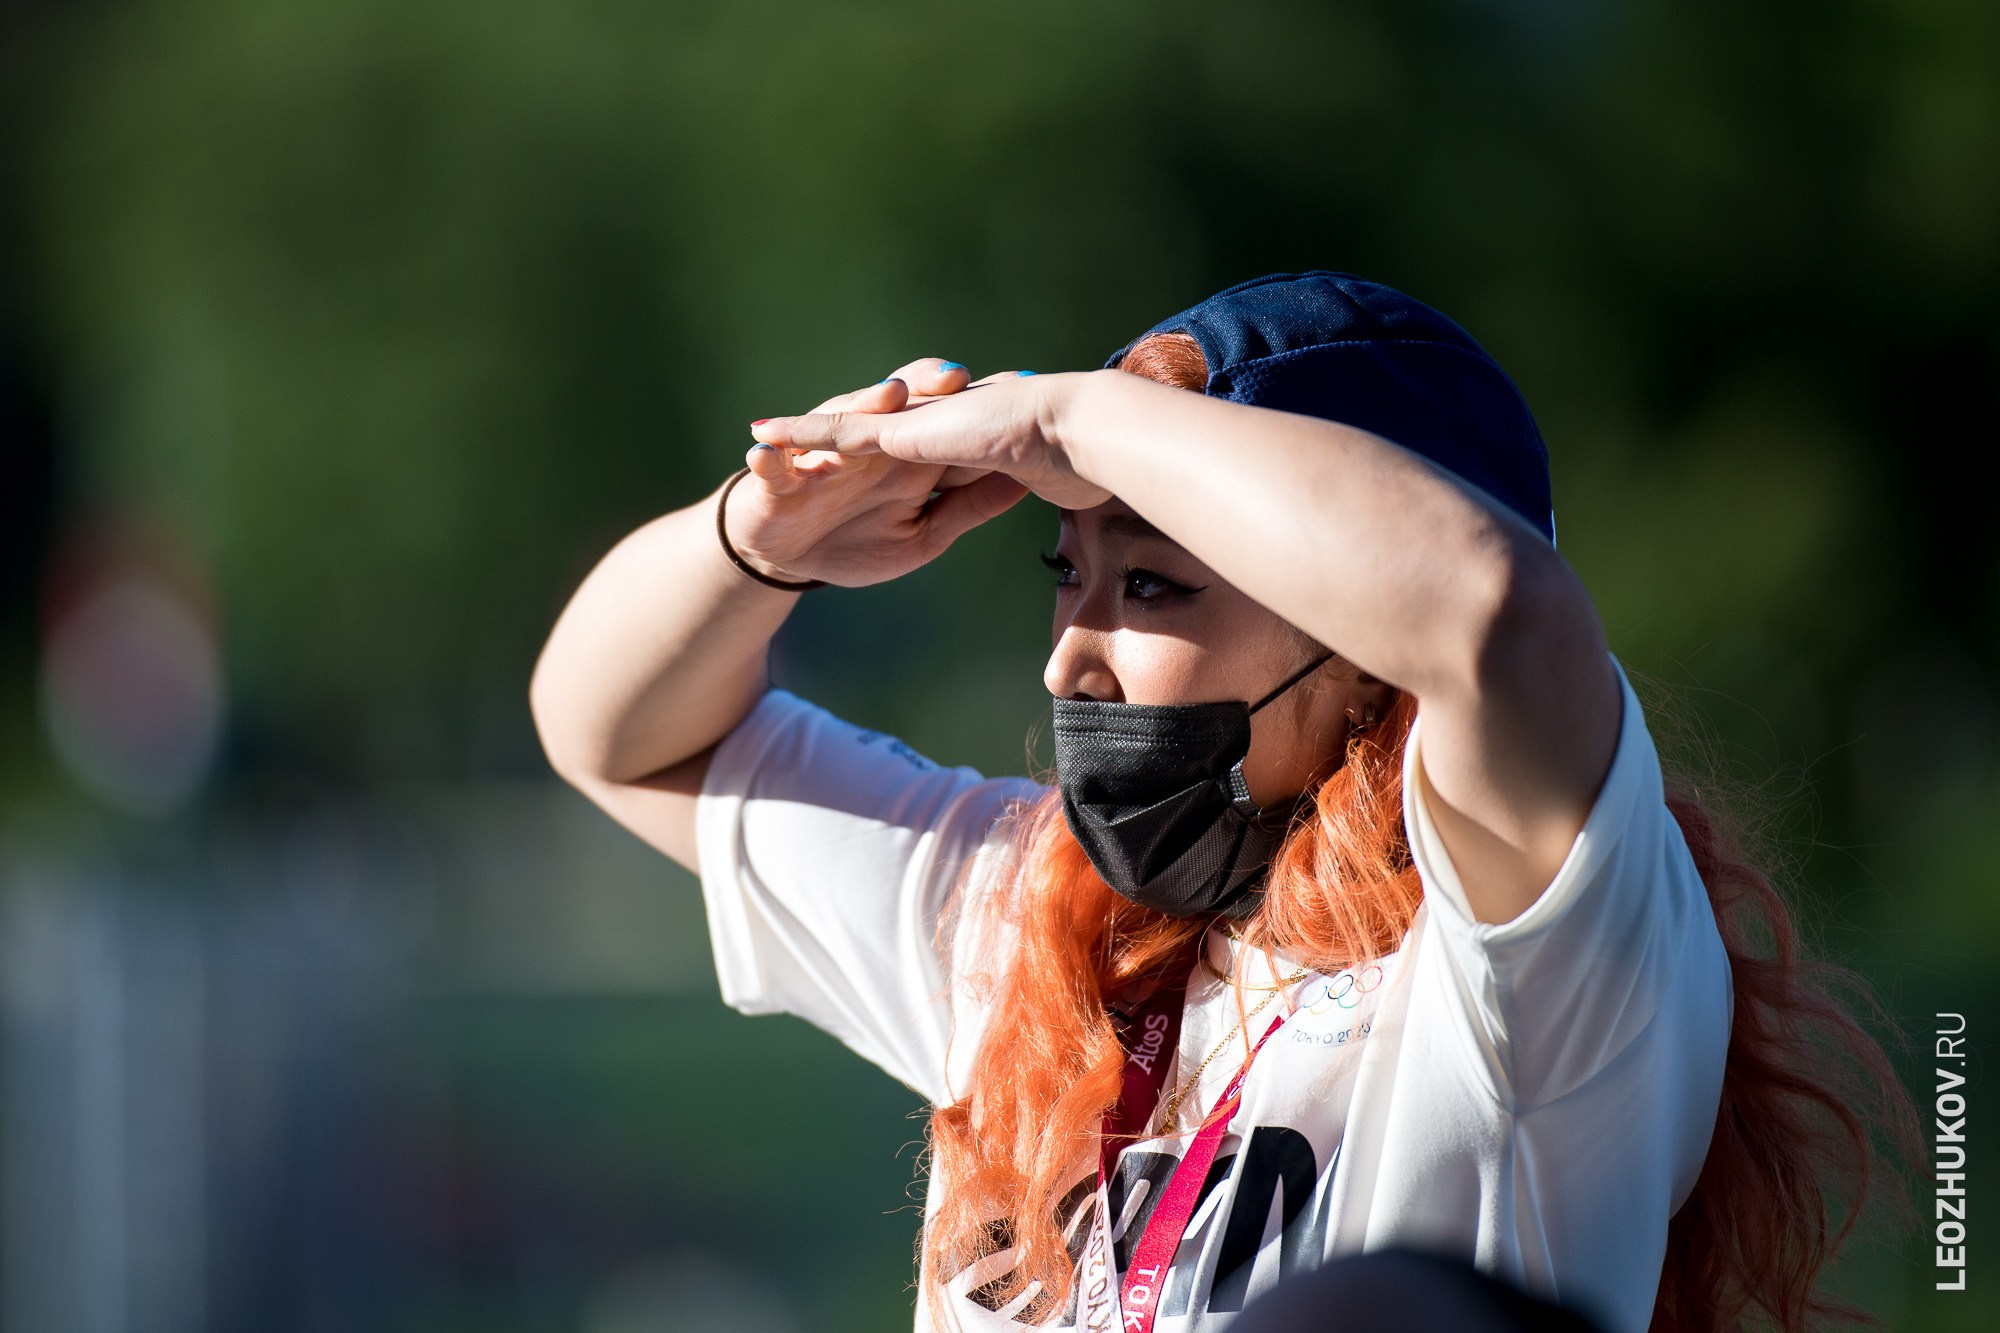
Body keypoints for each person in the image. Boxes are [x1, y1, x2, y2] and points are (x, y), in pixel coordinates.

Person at [529, 273, 1915, 1332]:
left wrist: (1067, 414)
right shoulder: (1038, 914)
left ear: (1365, 638)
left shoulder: (1523, 971)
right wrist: (759, 541)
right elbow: (615, 730)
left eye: (1152, 582)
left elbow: (1496, 616)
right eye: (1064, 572)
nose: (1073, 649)